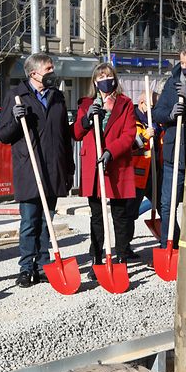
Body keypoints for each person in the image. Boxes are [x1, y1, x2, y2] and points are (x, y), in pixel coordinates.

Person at [0, 53, 75, 288]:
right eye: (49, 69)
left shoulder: (57, 97)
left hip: (52, 168)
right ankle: (26, 267)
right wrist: (14, 118)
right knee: (30, 221)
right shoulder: (17, 96)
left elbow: (64, 136)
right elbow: (3, 135)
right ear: (34, 73)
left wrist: (68, 167)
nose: (53, 72)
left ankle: (43, 265)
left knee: (46, 220)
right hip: (29, 168)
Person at [73, 63, 137, 279]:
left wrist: (111, 151)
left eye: (108, 76)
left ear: (115, 79)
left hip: (116, 163)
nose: (105, 80)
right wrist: (86, 118)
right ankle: (96, 259)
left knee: (120, 215)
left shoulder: (125, 104)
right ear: (94, 81)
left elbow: (129, 134)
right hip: (94, 166)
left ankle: (121, 257)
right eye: (101, 77)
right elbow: (76, 133)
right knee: (97, 216)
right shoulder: (87, 104)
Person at [154, 41, 186, 249]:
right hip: (173, 153)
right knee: (167, 204)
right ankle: (167, 244)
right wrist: (170, 115)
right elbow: (157, 112)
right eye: (183, 63)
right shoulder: (172, 83)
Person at [125, 91, 163, 239]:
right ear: (142, 103)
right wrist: (146, 136)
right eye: (152, 106)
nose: (154, 110)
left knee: (165, 208)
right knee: (130, 213)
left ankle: (170, 242)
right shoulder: (131, 121)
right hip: (138, 175)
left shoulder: (157, 121)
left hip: (155, 174)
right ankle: (125, 248)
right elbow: (130, 146)